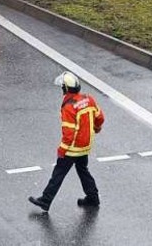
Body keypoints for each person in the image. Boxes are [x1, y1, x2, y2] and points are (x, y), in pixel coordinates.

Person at [29, 72, 103, 213]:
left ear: (66, 89)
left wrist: (62, 150)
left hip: (72, 148)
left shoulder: (69, 106)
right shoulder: (89, 99)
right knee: (83, 170)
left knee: (59, 173)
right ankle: (93, 198)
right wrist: (97, 128)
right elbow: (100, 117)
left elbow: (68, 134)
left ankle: (45, 200)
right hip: (85, 146)